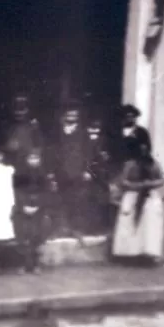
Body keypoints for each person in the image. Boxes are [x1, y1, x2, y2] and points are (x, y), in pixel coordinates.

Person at [112, 140, 164, 264]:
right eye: (140, 149)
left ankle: (149, 252)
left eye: (145, 149)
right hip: (132, 196)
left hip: (149, 197)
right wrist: (136, 185)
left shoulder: (154, 164)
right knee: (129, 224)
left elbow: (161, 180)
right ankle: (130, 254)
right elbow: (123, 181)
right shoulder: (130, 165)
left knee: (149, 226)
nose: (143, 152)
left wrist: (149, 184)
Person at [47, 105, 92, 238]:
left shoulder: (83, 133)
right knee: (59, 201)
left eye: (75, 115)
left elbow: (89, 154)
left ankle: (76, 229)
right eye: (70, 115)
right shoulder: (56, 132)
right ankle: (61, 228)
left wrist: (87, 170)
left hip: (77, 172)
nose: (72, 117)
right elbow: (50, 152)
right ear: (64, 116)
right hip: (60, 172)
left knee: (77, 201)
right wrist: (50, 172)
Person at [13, 150, 52, 273]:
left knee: (36, 235)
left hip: (38, 209)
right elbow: (16, 191)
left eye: (36, 158)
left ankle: (35, 265)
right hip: (23, 208)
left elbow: (46, 192)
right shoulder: (20, 174)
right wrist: (23, 206)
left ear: (39, 160)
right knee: (23, 235)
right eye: (31, 158)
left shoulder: (43, 174)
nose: (33, 161)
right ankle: (23, 265)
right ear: (27, 160)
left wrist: (38, 206)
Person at [84, 119, 114, 235]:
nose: (94, 131)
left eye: (97, 129)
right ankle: (88, 228)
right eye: (92, 128)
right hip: (87, 175)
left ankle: (99, 227)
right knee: (88, 201)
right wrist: (86, 170)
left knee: (100, 201)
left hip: (100, 176)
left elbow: (106, 158)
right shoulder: (84, 140)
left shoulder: (103, 141)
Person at [4, 95, 43, 171]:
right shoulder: (9, 126)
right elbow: (6, 145)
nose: (19, 111)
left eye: (22, 103)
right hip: (13, 161)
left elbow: (38, 144)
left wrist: (34, 153)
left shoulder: (34, 126)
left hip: (28, 161)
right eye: (17, 103)